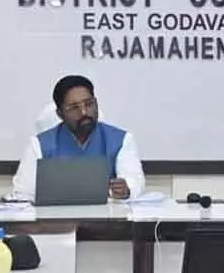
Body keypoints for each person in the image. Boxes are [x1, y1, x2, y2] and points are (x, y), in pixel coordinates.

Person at [12, 75, 145, 200]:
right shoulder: (39, 145)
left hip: (106, 222)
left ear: (96, 104)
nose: (84, 112)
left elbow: (134, 180)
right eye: (74, 108)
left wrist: (127, 189)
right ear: (60, 114)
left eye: (89, 104)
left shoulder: (121, 140)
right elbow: (23, 194)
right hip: (55, 222)